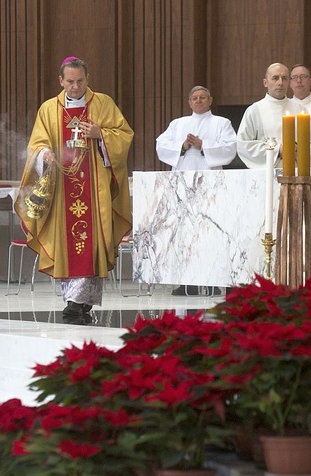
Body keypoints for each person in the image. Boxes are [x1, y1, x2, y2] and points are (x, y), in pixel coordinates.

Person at [15, 57, 134, 321]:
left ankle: (78, 303)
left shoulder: (103, 103)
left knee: (90, 244)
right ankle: (75, 301)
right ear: (61, 81)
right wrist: (43, 154)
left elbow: (124, 135)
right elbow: (37, 142)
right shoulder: (48, 109)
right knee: (65, 243)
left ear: (87, 79)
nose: (75, 86)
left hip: (94, 189)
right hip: (61, 187)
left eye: (80, 81)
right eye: (70, 81)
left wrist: (100, 135)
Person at [156, 86, 236, 296]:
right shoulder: (178, 124)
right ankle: (186, 282)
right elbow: (161, 145)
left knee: (212, 232)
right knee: (184, 233)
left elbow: (230, 149)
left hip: (212, 186)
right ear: (189, 102)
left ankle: (214, 281)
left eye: (202, 98)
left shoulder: (221, 123)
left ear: (210, 100)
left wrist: (203, 145)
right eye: (194, 98)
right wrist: (182, 147)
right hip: (182, 186)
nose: (198, 101)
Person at [237, 63, 303, 170]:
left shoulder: (301, 110)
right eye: (275, 78)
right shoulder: (254, 111)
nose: (280, 83)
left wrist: (296, 150)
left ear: (289, 82)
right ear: (265, 83)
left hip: (295, 173)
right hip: (266, 175)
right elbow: (244, 146)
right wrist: (277, 150)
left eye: (284, 78)